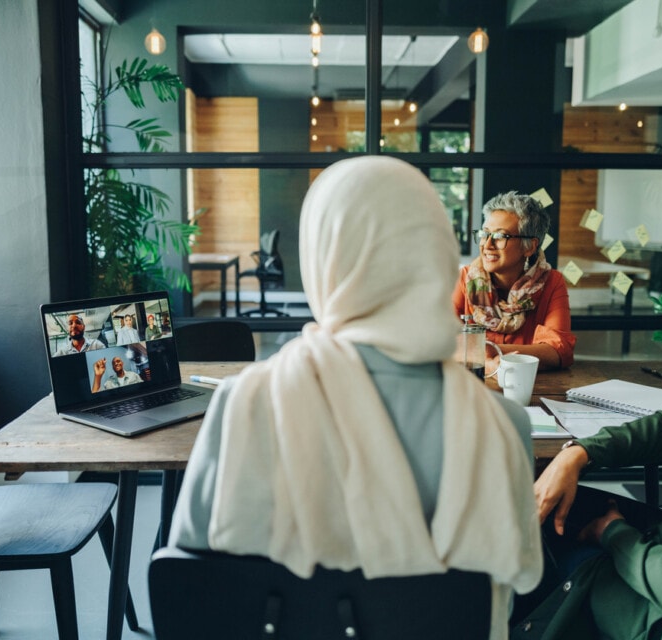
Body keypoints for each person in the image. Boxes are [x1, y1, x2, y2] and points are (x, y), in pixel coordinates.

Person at [168, 156, 543, 639]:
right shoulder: (503, 426)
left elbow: (190, 580)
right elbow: (502, 600)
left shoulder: (244, 405)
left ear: (325, 255)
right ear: (435, 252)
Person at [513, 181, 662, 639]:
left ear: (528, 244)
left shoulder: (550, 282)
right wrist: (579, 453)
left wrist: (613, 535)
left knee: (552, 528)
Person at [452, 192, 575, 370]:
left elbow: (558, 350)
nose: (487, 245)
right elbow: (440, 341)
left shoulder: (552, 282)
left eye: (501, 236)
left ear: (530, 247)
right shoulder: (465, 278)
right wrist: (488, 363)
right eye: (484, 234)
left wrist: (490, 350)